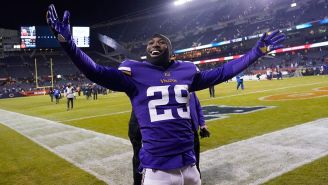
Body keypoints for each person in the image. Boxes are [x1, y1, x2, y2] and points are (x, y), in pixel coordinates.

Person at [46, 4, 285, 184]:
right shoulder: (135, 72)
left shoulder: (186, 71)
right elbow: (96, 71)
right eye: (150, 42)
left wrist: (256, 52)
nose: (154, 44)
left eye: (160, 42)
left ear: (170, 50)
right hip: (158, 171)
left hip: (190, 166)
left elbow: (222, 72)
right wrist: (68, 43)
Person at [128, 92, 210, 185]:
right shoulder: (146, 91)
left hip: (190, 131)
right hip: (167, 135)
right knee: (141, 159)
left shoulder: (187, 84)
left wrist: (202, 124)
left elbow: (197, 104)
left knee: (193, 162)